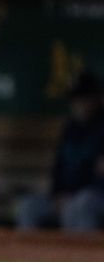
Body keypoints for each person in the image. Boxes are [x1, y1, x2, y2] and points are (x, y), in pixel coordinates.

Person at [16, 71, 104, 231]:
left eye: (83, 99)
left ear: (96, 98)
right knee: (28, 206)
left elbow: (98, 173)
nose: (78, 104)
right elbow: (59, 167)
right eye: (75, 100)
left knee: (81, 204)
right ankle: (27, 255)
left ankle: (79, 256)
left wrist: (72, 196)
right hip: (64, 196)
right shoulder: (70, 128)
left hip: (92, 196)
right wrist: (57, 194)